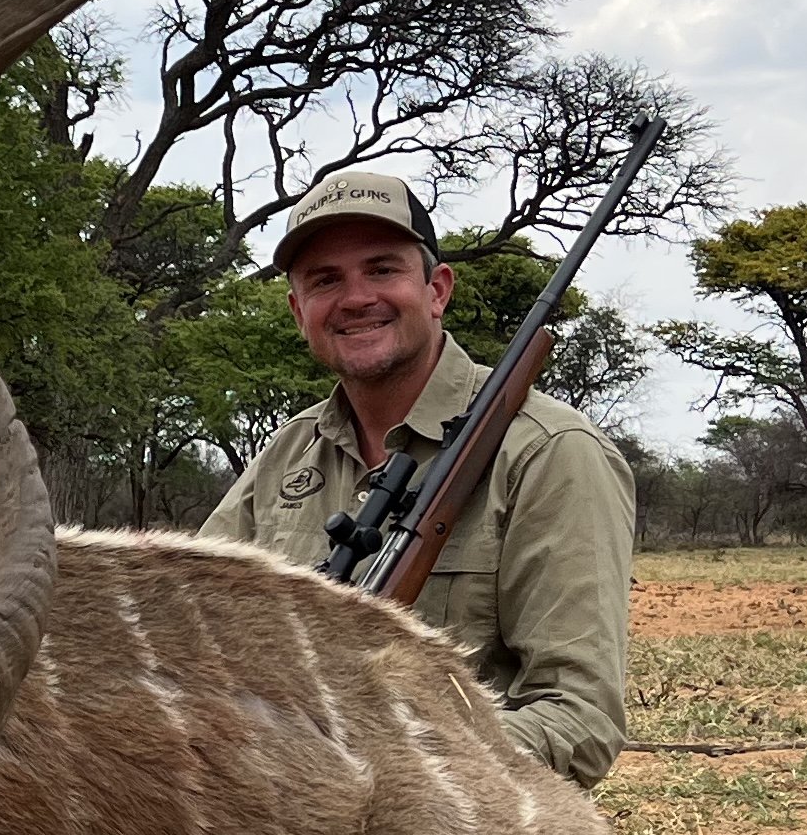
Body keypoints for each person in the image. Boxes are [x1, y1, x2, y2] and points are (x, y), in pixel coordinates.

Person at [200, 166, 634, 787]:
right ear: (299, 310)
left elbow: (578, 719)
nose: (355, 298)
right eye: (325, 280)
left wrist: (374, 766)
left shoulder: (552, 451)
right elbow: (195, 645)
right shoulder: (288, 451)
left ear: (436, 289)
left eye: (382, 269)